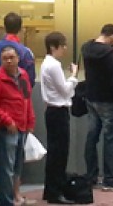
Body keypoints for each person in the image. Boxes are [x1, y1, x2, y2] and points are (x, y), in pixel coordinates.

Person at [0, 46, 35, 206]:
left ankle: (13, 196)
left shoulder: (23, 76)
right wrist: (7, 121)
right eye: (5, 58)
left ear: (18, 58)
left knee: (17, 166)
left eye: (11, 57)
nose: (8, 60)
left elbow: (27, 99)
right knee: (7, 167)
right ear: (1, 60)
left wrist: (30, 121)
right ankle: (6, 201)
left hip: (22, 127)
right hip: (6, 129)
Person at [81, 24, 113, 191]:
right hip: (109, 99)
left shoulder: (86, 48)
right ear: (112, 36)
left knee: (92, 137)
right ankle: (110, 179)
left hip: (91, 97)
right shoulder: (109, 52)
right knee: (110, 139)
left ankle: (91, 176)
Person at [39, 32, 77, 204]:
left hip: (52, 111)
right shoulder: (53, 65)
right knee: (60, 153)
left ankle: (51, 190)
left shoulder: (46, 64)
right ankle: (56, 191)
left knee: (55, 152)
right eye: (62, 45)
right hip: (58, 111)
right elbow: (65, 90)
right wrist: (74, 76)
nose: (65, 48)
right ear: (54, 47)